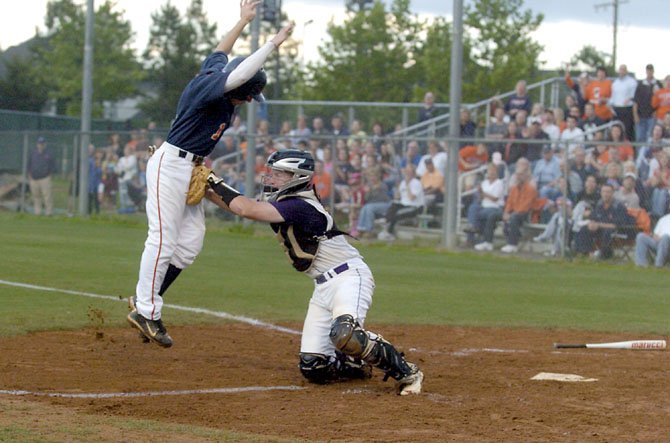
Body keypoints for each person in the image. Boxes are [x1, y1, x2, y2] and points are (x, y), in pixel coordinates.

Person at [127, 0, 294, 347]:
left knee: (189, 244)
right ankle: (146, 311)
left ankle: (146, 299)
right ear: (238, 90)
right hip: (169, 165)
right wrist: (272, 43)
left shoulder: (216, 76)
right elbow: (241, 74)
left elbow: (221, 50)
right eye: (250, 97)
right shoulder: (210, 88)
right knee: (162, 239)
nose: (250, 102)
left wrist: (243, 22)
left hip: (190, 167)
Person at [206, 149, 423, 395]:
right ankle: (356, 364)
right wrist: (206, 192)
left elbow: (247, 209)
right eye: (272, 173)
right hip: (323, 287)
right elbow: (239, 207)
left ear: (297, 177)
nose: (270, 178)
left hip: (348, 277)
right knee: (314, 367)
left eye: (278, 174)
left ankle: (407, 373)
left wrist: (213, 181)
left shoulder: (300, 205)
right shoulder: (287, 202)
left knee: (345, 334)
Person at [378, 164, 425, 241]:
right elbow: (398, 197)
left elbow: (412, 198)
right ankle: (386, 222)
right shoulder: (403, 182)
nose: (407, 173)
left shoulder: (416, 183)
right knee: (393, 205)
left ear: (413, 173)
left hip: (415, 206)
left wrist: (407, 185)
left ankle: (389, 232)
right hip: (404, 204)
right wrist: (397, 191)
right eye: (406, 171)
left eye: (409, 172)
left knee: (397, 214)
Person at [500, 164, 538, 253]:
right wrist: (506, 212)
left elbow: (526, 205)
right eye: (517, 174)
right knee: (494, 215)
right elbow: (509, 202)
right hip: (514, 212)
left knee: (514, 217)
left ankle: (512, 244)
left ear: (526, 176)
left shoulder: (531, 189)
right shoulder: (514, 188)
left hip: (526, 213)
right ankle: (487, 241)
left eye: (521, 174)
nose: (518, 177)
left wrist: (512, 213)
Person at [633, 64, 662, 143]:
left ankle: (648, 155)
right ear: (646, 71)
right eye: (648, 70)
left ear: (653, 71)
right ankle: (640, 155)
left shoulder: (658, 84)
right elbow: (635, 101)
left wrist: (656, 111)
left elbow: (661, 100)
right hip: (640, 115)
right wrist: (635, 114)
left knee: (650, 137)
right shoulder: (641, 84)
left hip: (651, 115)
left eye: (651, 70)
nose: (649, 72)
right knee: (639, 138)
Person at [27, 136, 56, 216]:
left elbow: (53, 166)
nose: (41, 145)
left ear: (45, 144)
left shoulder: (49, 154)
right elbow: (29, 165)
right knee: (36, 196)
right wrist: (29, 175)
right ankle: (37, 212)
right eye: (39, 143)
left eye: (42, 143)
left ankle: (49, 212)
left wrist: (50, 175)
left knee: (47, 196)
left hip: (45, 178)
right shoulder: (33, 153)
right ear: (37, 144)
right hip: (34, 178)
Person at [610, 64, 638, 141]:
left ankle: (628, 148)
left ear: (626, 71)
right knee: (617, 130)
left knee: (627, 130)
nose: (621, 71)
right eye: (620, 69)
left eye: (623, 69)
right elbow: (613, 96)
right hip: (617, 109)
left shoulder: (632, 82)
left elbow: (634, 96)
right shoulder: (615, 83)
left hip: (627, 109)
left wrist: (629, 99)